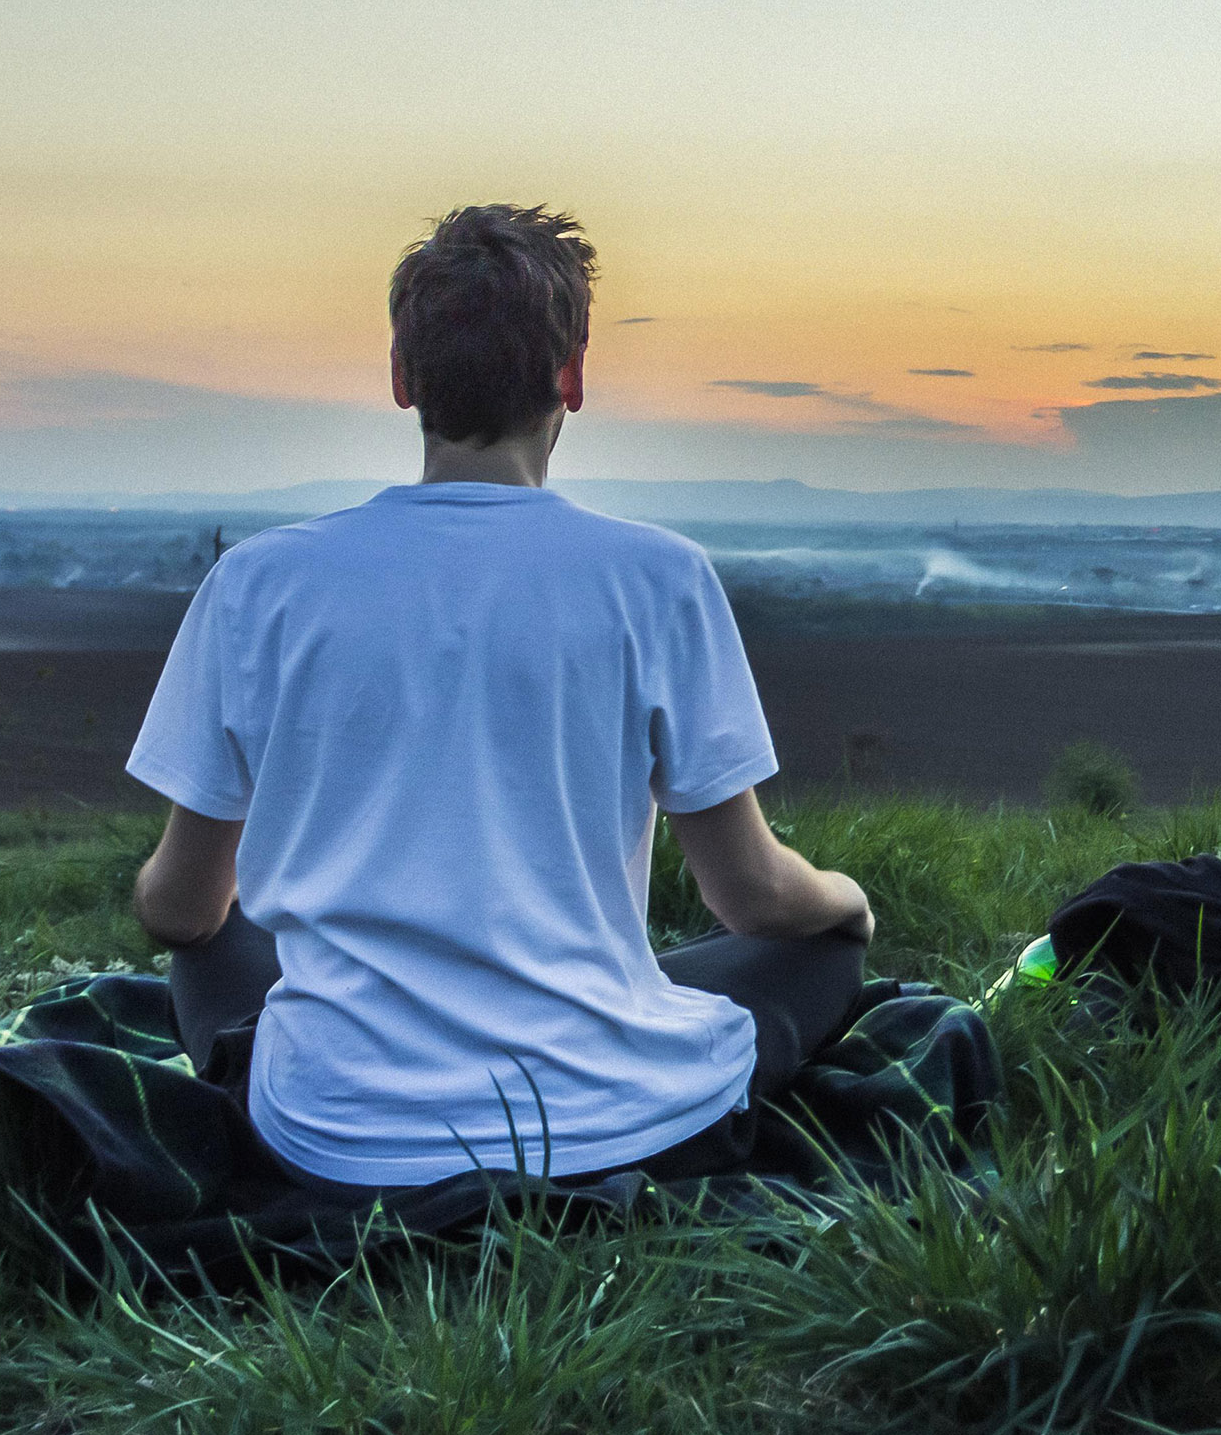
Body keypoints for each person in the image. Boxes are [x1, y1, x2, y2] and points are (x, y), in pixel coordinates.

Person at [126, 204, 872, 1197]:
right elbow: (753, 898)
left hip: (335, 1136)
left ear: (403, 378)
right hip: (609, 1121)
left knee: (214, 938)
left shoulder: (257, 584)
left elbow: (178, 910)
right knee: (817, 953)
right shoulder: (659, 578)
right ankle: (615, 1022)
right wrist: (846, 901)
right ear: (571, 376)